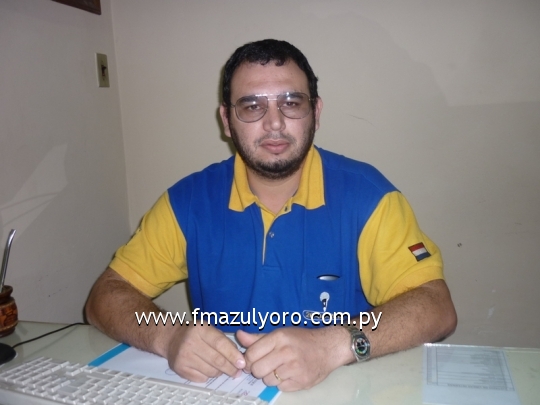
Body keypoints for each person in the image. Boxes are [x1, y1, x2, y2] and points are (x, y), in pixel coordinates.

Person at [85, 39, 457, 392]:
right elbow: (105, 296)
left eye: (291, 103)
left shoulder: (370, 197)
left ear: (316, 112)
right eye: (252, 107)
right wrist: (167, 336)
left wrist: (333, 346)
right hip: (224, 393)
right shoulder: (187, 203)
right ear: (227, 120)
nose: (274, 123)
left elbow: (435, 306)